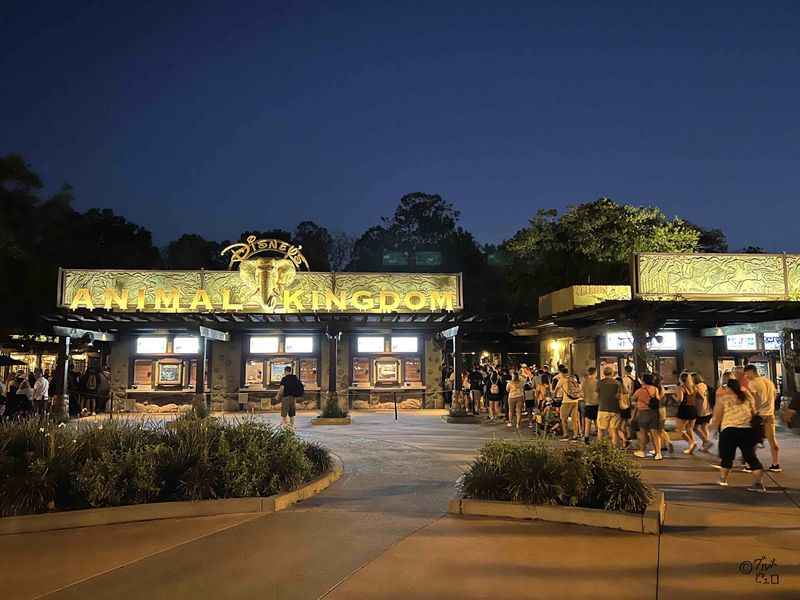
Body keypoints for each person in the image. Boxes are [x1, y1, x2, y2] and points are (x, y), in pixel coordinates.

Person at [710, 376, 766, 492]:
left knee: (727, 458)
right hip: (747, 431)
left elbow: (717, 417)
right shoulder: (747, 397)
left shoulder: (723, 399)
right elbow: (754, 412)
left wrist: (713, 430)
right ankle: (759, 484)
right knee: (751, 457)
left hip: (729, 431)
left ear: (729, 388)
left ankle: (723, 480)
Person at [743, 364, 781, 472]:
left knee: (751, 440)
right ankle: (775, 464)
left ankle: (751, 465)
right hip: (770, 414)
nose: (746, 376)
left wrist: (753, 411)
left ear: (751, 372)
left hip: (759, 415)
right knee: (772, 440)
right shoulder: (768, 381)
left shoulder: (753, 383)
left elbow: (755, 399)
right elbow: (775, 395)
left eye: (746, 374)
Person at [632, 373, 663, 460]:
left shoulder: (640, 390)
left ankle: (642, 451)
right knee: (655, 433)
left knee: (643, 433)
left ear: (643, 380)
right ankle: (658, 453)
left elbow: (632, 399)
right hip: (654, 413)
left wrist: (640, 401)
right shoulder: (655, 389)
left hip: (643, 413)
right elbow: (658, 399)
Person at [554, 365, 582, 441]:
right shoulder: (572, 378)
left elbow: (556, 389)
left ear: (562, 373)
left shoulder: (562, 379)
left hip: (566, 401)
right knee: (574, 419)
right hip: (575, 401)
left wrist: (554, 396)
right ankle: (575, 435)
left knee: (563, 418)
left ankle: (565, 434)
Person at [597, 366, 622, 447]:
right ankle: (614, 448)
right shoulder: (617, 383)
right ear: (612, 373)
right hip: (615, 409)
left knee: (601, 430)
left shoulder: (599, 383)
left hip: (603, 408)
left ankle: (600, 447)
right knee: (614, 430)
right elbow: (622, 394)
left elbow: (596, 394)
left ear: (604, 373)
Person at [675, 371, 699, 454]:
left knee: (679, 430)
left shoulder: (681, 387)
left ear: (681, 379)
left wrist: (674, 398)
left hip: (684, 409)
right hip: (693, 409)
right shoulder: (694, 387)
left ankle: (691, 443)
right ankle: (692, 445)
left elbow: (680, 400)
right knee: (689, 428)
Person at [692, 372, 714, 452]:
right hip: (708, 409)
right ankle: (705, 446)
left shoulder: (697, 386)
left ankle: (706, 441)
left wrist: (694, 393)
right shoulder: (704, 385)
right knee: (704, 427)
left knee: (695, 428)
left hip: (701, 410)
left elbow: (700, 396)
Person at [582, 367, 599, 444]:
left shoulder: (584, 382)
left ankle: (586, 438)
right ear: (595, 372)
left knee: (588, 422)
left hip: (588, 403)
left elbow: (582, 392)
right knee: (597, 422)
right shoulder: (597, 382)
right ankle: (600, 438)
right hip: (596, 403)